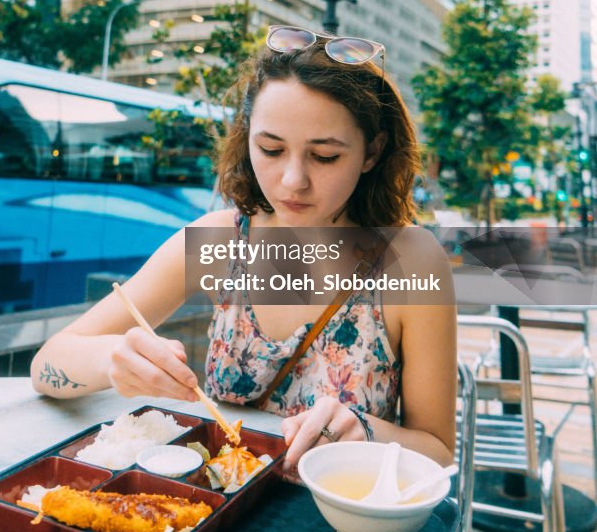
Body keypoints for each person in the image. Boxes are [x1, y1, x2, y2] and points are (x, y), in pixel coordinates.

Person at [31, 25, 456, 470]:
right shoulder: (219, 241)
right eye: (271, 149)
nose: (293, 180)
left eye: (325, 156)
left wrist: (366, 432)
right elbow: (47, 366)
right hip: (218, 516)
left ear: (372, 152)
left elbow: (439, 451)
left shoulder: (410, 261)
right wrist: (112, 360)